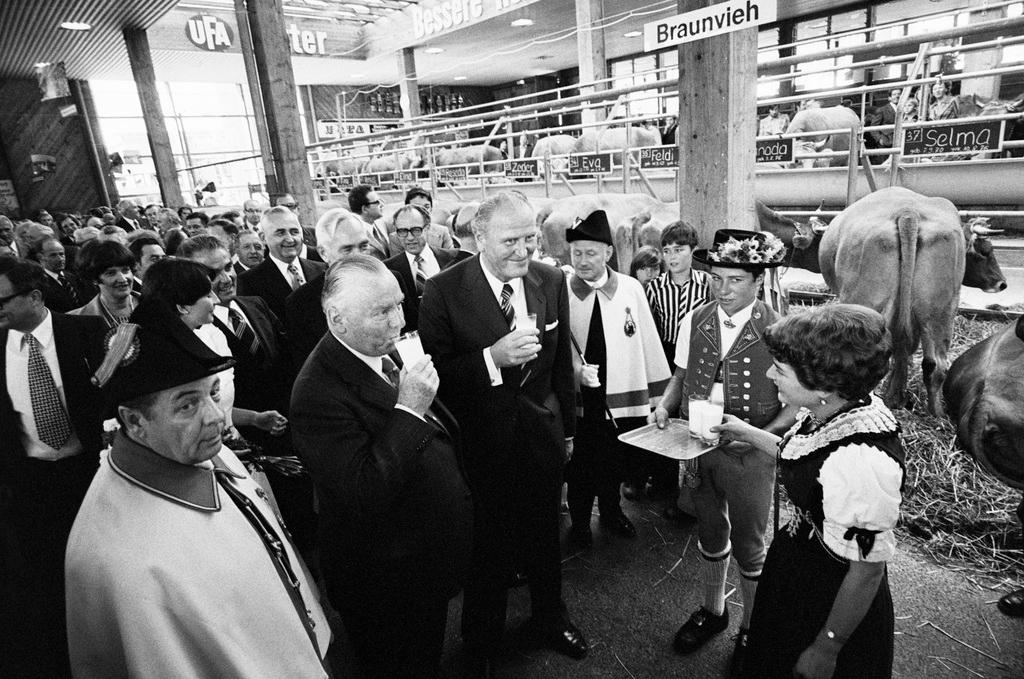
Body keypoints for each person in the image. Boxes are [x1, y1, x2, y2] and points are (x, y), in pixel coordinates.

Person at [64, 308, 332, 679]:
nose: (216, 418)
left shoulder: (203, 449)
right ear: (135, 422)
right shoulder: (128, 561)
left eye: (214, 393)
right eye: (187, 404)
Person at [419, 191, 588, 674]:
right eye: (510, 240)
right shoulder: (443, 291)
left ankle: (550, 618)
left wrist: (569, 432)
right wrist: (492, 358)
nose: (524, 250)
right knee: (486, 544)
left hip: (541, 436)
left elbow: (560, 367)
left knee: (543, 535)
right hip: (479, 443)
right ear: (478, 237)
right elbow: (434, 375)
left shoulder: (551, 279)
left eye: (530, 238)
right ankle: (482, 637)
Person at [291, 255, 472, 679]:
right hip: (384, 583)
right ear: (337, 318)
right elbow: (361, 493)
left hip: (420, 563)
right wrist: (409, 410)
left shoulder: (377, 354)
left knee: (425, 659)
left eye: (399, 304)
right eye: (381, 311)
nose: (398, 321)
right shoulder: (317, 393)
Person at [708, 304, 903, 679]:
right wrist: (746, 432)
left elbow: (866, 573)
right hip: (798, 567)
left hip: (828, 592)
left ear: (823, 385)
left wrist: (826, 646)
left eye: (779, 369)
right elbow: (806, 456)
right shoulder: (835, 411)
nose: (769, 373)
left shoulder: (861, 462)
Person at [651, 228, 795, 677]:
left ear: (757, 281)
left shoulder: (779, 329)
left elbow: (795, 405)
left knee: (751, 545)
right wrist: (665, 404)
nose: (723, 289)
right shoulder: (695, 318)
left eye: (735, 280)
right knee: (711, 532)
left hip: (750, 454)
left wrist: (757, 433)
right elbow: (680, 373)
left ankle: (752, 629)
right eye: (716, 278)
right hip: (698, 445)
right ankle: (714, 612)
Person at [180, 234, 318, 564]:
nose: (226, 278)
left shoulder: (254, 303)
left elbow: (288, 358)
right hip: (245, 444)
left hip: (287, 426)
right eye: (213, 274)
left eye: (228, 267)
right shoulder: (195, 333)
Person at [0, 257, 106, 678]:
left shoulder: (85, 333)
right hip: (31, 485)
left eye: (2, 300)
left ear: (36, 297)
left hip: (89, 476)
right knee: (47, 583)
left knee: (98, 571)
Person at [564, 210, 671, 547]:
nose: (583, 261)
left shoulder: (629, 289)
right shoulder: (560, 291)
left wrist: (659, 399)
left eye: (591, 253)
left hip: (620, 392)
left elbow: (649, 344)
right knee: (580, 463)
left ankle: (611, 512)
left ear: (608, 253)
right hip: (581, 395)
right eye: (576, 253)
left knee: (613, 458)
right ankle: (580, 522)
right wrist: (574, 375)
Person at [640, 222, 713, 516]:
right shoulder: (655, 286)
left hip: (699, 355)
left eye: (679, 250)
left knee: (695, 416)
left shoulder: (707, 283)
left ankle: (694, 489)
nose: (672, 257)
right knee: (663, 414)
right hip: (665, 351)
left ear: (692, 251)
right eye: (667, 251)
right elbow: (648, 326)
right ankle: (663, 481)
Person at [285, 208, 372, 368]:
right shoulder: (301, 304)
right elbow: (309, 370)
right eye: (347, 249)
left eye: (363, 246)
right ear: (324, 253)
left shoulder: (391, 280)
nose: (359, 256)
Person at [384, 204, 469, 332]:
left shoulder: (455, 259)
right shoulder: (387, 270)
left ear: (428, 228)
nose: (410, 237)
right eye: (402, 231)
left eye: (416, 230)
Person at [237, 206, 325, 319]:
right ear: (263, 238)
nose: (290, 239)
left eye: (294, 232)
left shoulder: (322, 270)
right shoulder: (249, 281)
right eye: (280, 233)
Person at [71, 240, 139, 328]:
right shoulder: (78, 319)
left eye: (125, 270)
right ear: (94, 279)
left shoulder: (154, 305)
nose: (122, 279)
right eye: (111, 273)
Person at [31, 236, 90, 312]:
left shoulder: (73, 277)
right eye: (53, 255)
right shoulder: (39, 284)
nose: (60, 259)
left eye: (61, 254)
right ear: (40, 257)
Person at [349, 184, 391, 260]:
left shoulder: (381, 224)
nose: (382, 203)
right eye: (377, 202)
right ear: (365, 209)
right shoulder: (354, 236)